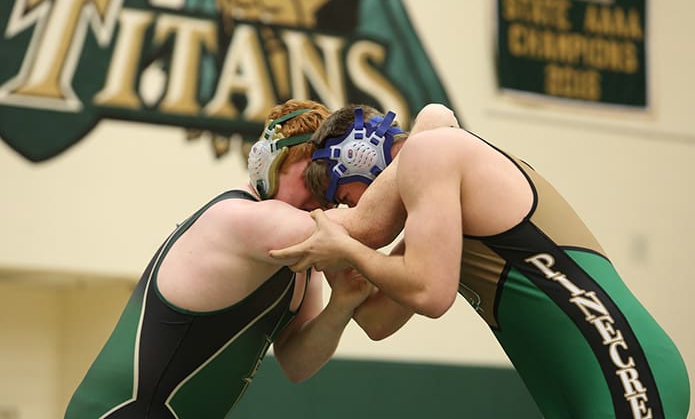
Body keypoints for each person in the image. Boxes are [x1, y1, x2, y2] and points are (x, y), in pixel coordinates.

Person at [269, 103, 691, 419]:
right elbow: (379, 321)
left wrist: (345, 247)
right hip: (591, 384)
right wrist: (346, 285)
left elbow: (431, 295)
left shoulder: (431, 153)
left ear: (359, 159)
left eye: (344, 200)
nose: (347, 214)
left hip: (623, 365)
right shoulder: (436, 203)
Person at [63, 99, 411, 419]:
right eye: (313, 179)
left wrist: (340, 308)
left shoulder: (305, 250)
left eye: (333, 185)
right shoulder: (238, 217)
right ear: (270, 165)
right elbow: (370, 227)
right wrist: (421, 155)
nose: (326, 197)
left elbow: (296, 364)